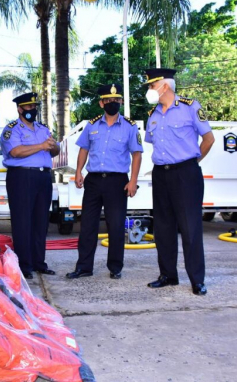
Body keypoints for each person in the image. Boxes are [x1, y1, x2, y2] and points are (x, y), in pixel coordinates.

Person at [143, 68, 215, 296]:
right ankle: (168, 275)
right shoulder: (152, 114)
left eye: (152, 85)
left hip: (186, 173)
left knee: (190, 228)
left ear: (164, 86)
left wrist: (192, 162)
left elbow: (209, 139)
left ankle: (197, 280)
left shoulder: (190, 106)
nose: (149, 90)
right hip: (160, 174)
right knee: (163, 227)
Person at [66, 83, 143, 280]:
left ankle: (115, 268)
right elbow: (84, 149)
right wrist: (78, 172)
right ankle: (84, 267)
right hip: (93, 181)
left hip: (117, 182)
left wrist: (133, 181)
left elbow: (137, 155)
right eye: (108, 100)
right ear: (101, 103)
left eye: (116, 100)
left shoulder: (130, 127)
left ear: (121, 102)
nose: (113, 103)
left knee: (116, 226)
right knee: (88, 226)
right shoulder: (91, 125)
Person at [0, 92, 60, 279]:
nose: (32, 110)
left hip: (43, 177)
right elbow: (16, 151)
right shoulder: (12, 129)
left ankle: (38, 262)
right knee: (23, 222)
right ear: (19, 109)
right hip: (22, 177)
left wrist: (52, 146)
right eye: (28, 107)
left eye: (34, 107)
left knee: (41, 222)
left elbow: (54, 150)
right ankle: (24, 265)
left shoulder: (42, 128)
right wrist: (42, 146)